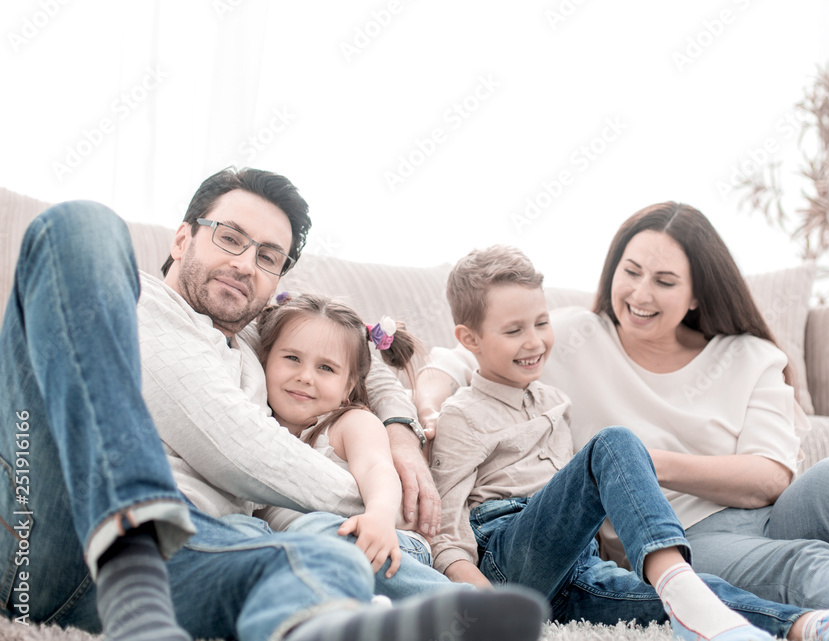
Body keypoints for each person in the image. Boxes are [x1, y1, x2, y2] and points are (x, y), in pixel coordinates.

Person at [0, 167, 546, 641]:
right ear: (183, 239)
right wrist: (378, 500)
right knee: (80, 225)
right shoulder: (128, 302)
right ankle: (129, 562)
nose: (244, 265)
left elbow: (351, 348)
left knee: (322, 554)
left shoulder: (253, 340)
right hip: (53, 536)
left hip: (199, 552)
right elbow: (235, 449)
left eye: (268, 257)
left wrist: (398, 427)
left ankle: (323, 628)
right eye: (230, 238)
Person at [416, 204, 829, 639]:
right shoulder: (567, 336)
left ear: (697, 294)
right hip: (684, 536)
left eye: (665, 281)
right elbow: (464, 354)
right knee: (801, 564)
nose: (640, 293)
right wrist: (425, 400)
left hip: (767, 510)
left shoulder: (747, 355)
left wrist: (644, 464)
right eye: (632, 271)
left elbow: (772, 477)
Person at [252, 291, 461, 600]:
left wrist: (378, 516)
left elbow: (378, 469)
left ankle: (461, 604)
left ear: (349, 385)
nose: (305, 377)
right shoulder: (253, 429)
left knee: (317, 531)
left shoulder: (349, 424)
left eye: (326, 368)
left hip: (385, 540)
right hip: (316, 562)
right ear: (264, 360)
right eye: (292, 358)